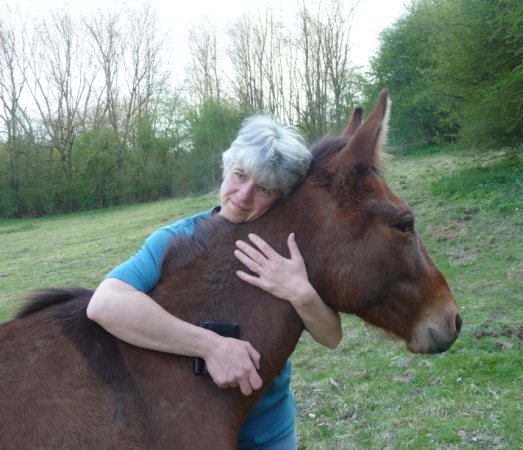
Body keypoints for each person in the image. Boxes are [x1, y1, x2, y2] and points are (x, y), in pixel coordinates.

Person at [86, 115, 342, 450]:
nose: (243, 195)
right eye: (240, 175)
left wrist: (300, 292)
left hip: (269, 433)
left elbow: (331, 337)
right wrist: (210, 346)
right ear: (227, 167)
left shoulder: (287, 253)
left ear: (281, 197)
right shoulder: (176, 240)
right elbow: (105, 303)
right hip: (188, 430)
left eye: (264, 188)